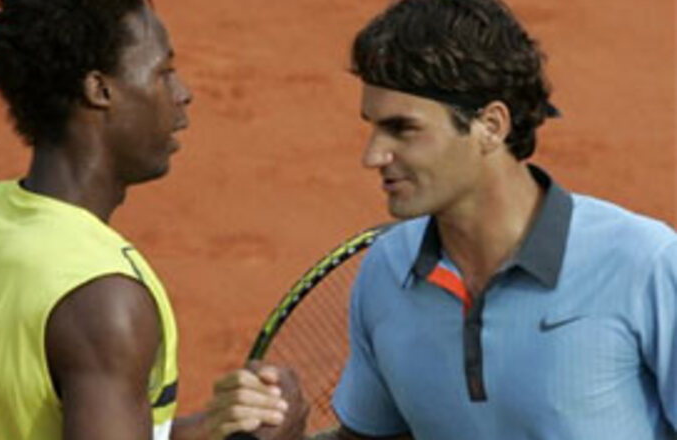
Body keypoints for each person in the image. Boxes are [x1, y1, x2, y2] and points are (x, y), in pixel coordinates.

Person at [227, 0, 677, 439]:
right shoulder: (387, 270)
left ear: (491, 126)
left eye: (403, 129)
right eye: (373, 127)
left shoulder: (642, 265)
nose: (374, 155)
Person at [0, 0, 304, 439]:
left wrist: (209, 430)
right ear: (99, 90)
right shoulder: (105, 301)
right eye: (163, 73)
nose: (183, 93)